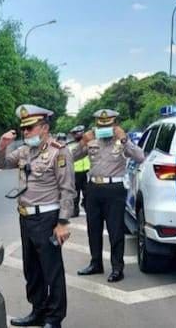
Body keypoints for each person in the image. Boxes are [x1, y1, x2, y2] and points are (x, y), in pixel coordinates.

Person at [0, 104, 76, 328]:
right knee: (32, 269)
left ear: (45, 127)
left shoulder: (59, 152)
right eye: (24, 129)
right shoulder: (23, 152)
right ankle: (37, 311)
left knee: (52, 271)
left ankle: (54, 318)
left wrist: (62, 223)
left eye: (31, 128)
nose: (26, 133)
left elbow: (67, 189)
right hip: (26, 218)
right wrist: (2, 146)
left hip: (48, 218)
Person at [71, 109, 144, 283]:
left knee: (115, 230)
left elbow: (140, 156)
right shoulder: (91, 141)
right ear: (96, 125)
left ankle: (118, 268)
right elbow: (69, 158)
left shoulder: (122, 141)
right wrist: (83, 142)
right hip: (93, 188)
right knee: (93, 229)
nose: (104, 128)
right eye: (100, 125)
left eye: (108, 125)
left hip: (115, 189)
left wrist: (125, 139)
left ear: (115, 125)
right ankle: (96, 263)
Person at [67, 125, 90, 218]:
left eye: (81, 132)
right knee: (75, 194)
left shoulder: (88, 144)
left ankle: (87, 208)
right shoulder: (70, 145)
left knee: (88, 193)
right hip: (75, 172)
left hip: (87, 171)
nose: (79, 134)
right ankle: (74, 211)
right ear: (73, 135)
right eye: (76, 133)